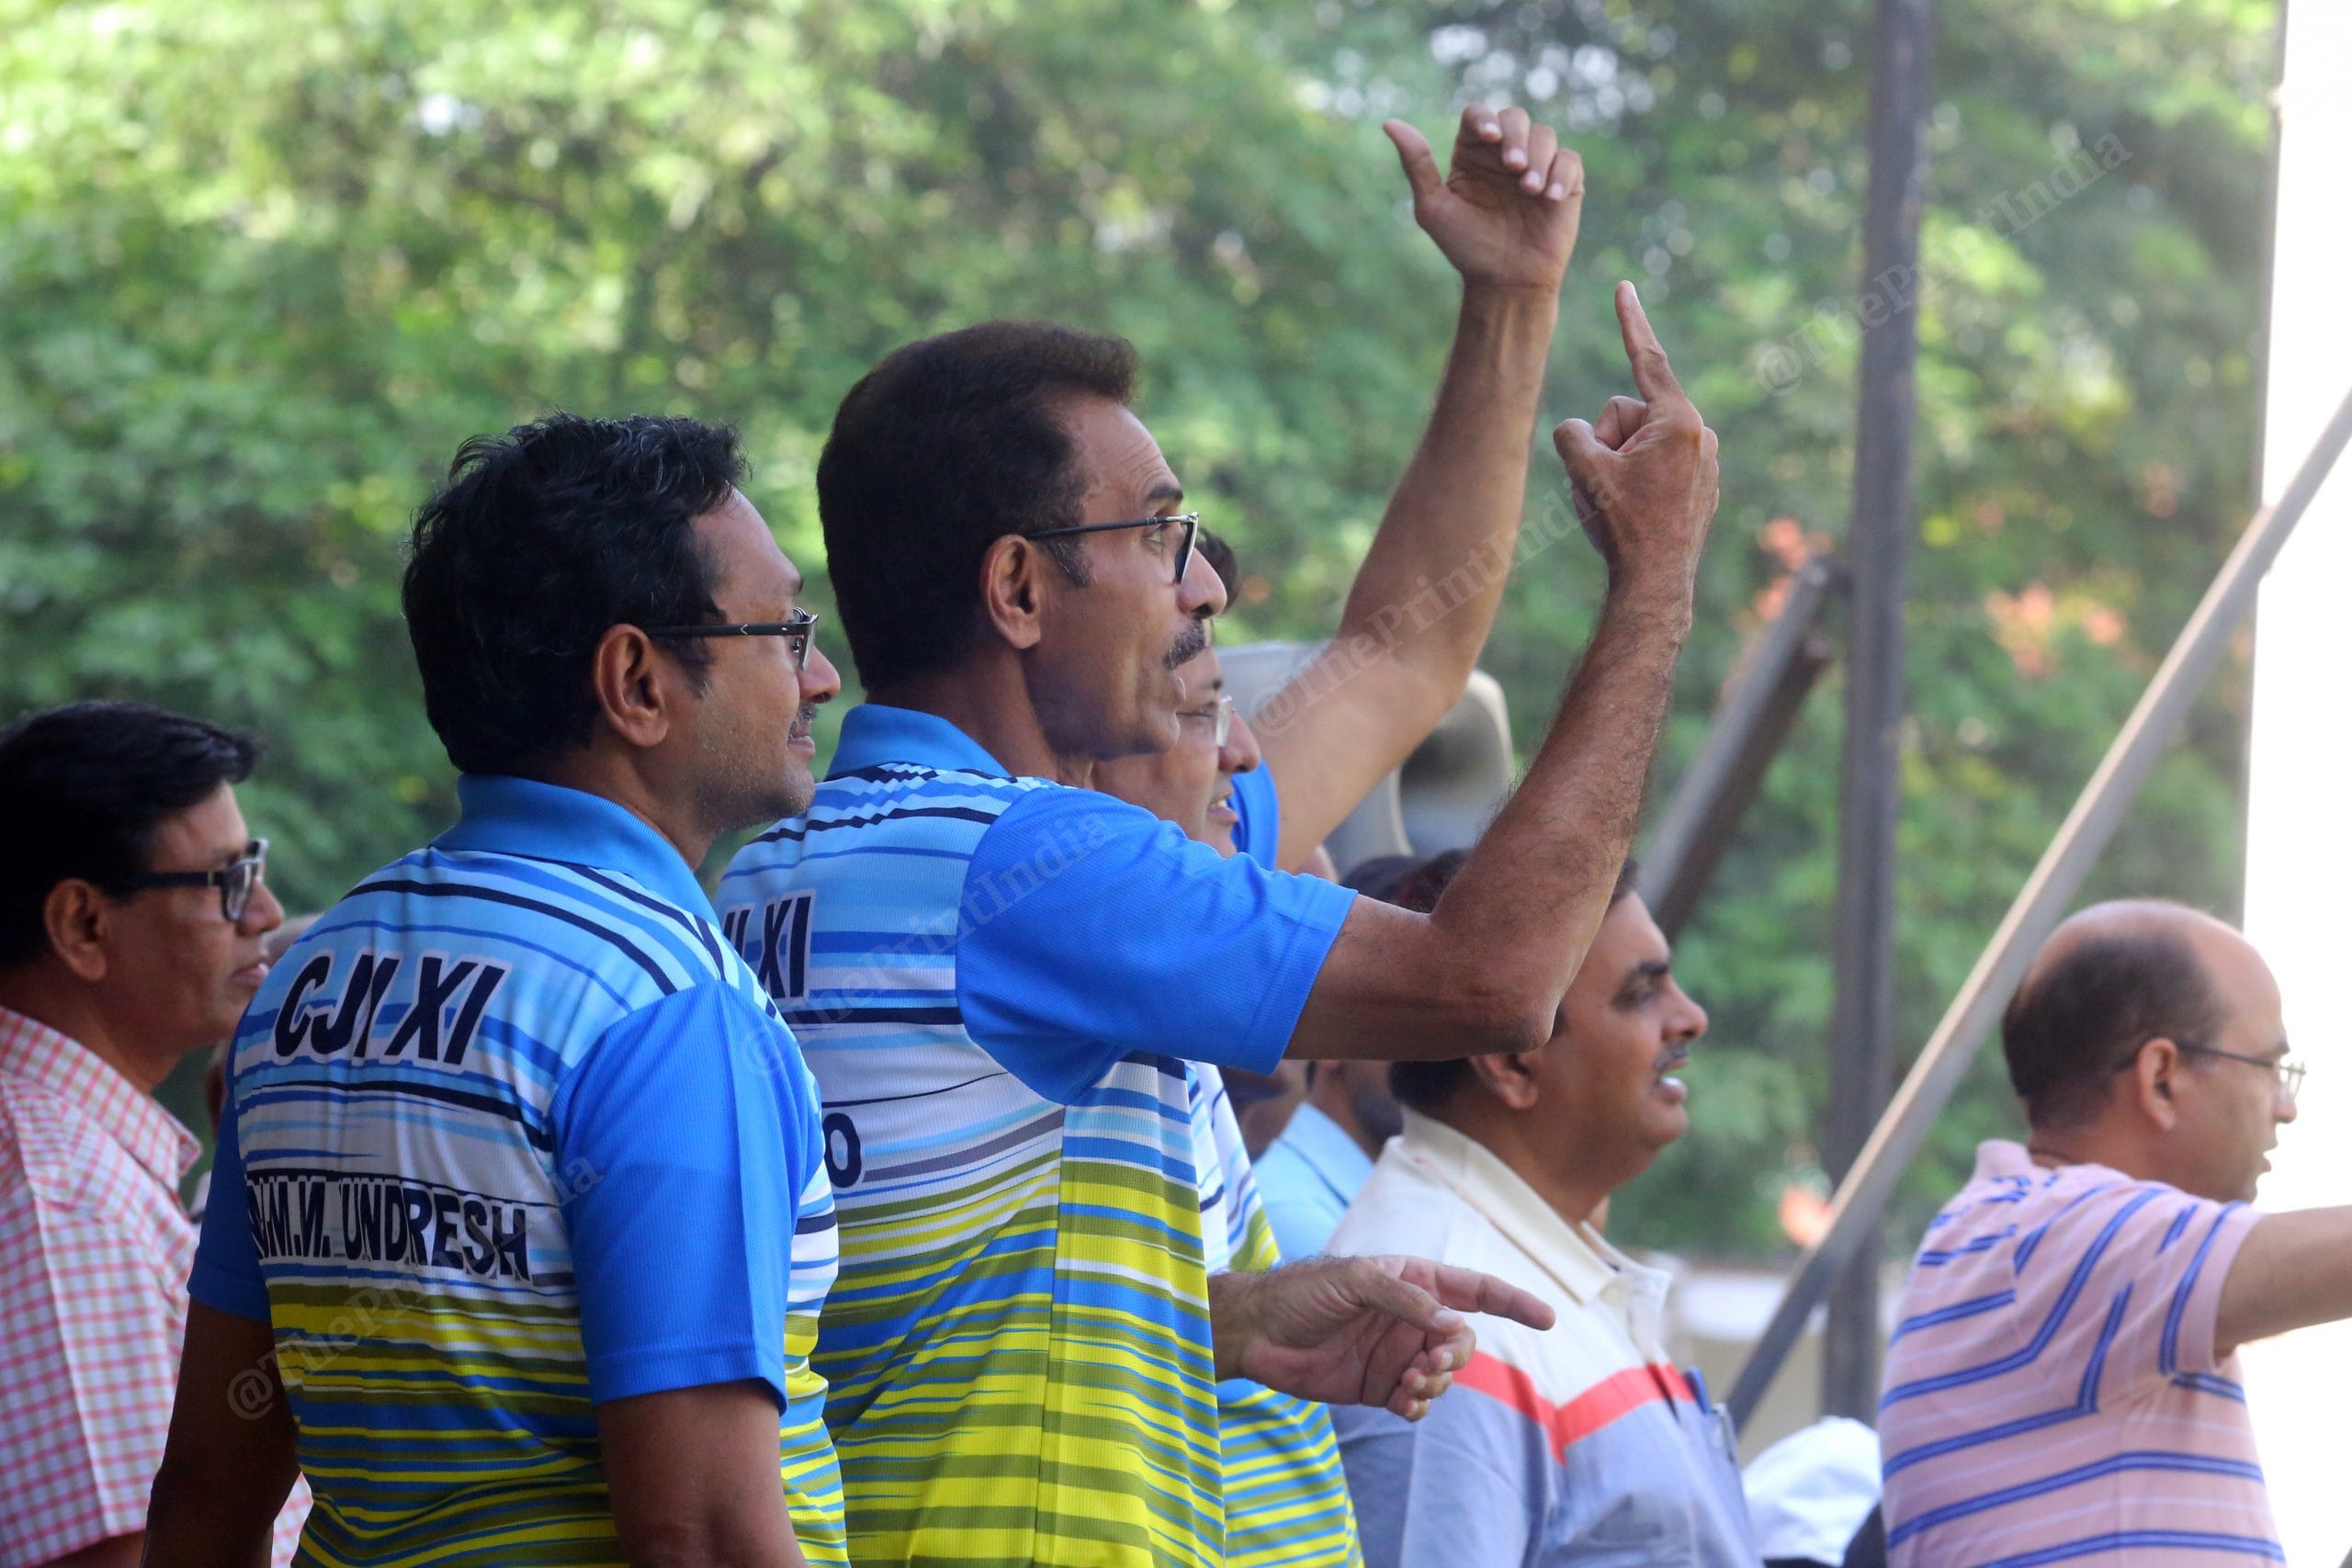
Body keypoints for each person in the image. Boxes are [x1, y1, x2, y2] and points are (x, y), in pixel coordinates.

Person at [718, 85, 1722, 1565]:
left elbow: (1396, 656)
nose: (1207, 589)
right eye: (1161, 534)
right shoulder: (1031, 871)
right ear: (1017, 589)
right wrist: (1656, 580)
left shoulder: (818, 860)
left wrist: (1508, 301)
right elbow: (1500, 977)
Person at [145, 414, 851, 1566]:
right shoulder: (660, 1004)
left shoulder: (306, 988)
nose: (819, 674)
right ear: (636, 680)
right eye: (785, 629)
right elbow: (705, 1534)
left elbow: (209, 1496)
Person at [1879, 899, 2352, 1566]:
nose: (2286, 1106)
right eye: (2268, 1067)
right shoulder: (2053, 1237)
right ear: (2161, 1076)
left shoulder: (2034, 1247)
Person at [1327, 851, 1758, 1567]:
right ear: (1512, 1061)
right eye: (1641, 993)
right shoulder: (1444, 1317)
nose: (1691, 1017)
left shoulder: (1524, 1268)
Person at [1093, 532, 1369, 1568]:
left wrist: (1237, 1318)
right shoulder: (1097, 898)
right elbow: (1500, 981)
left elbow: (1405, 660)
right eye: (1203, 706)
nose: (1244, 757)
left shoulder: (1159, 875)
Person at [0, 700, 304, 1568]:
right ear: (83, 925)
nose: (267, 912)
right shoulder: (64, 1204)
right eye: (229, 880)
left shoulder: (63, 1160)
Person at [1248, 860, 1422, 1261]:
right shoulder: (1299, 1221)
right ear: (1334, 1030)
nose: (1447, 1052)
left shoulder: (1388, 1212)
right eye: (1413, 1013)